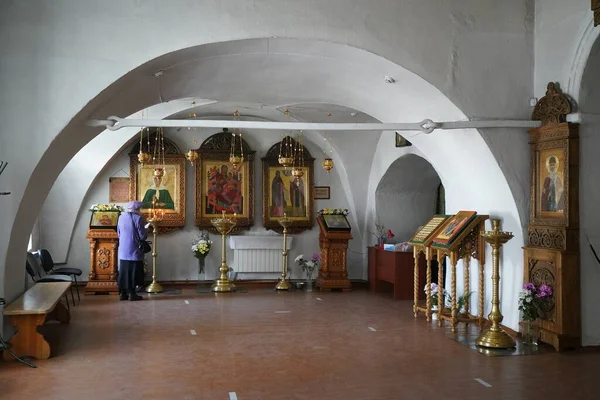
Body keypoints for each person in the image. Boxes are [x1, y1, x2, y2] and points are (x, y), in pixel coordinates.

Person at [116, 200, 148, 301]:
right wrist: (146, 228)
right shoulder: (138, 218)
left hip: (123, 249)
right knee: (134, 271)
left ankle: (123, 293)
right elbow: (142, 236)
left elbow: (119, 233)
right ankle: (132, 294)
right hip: (134, 249)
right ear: (137, 209)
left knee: (124, 271)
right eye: (140, 209)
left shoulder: (121, 217)